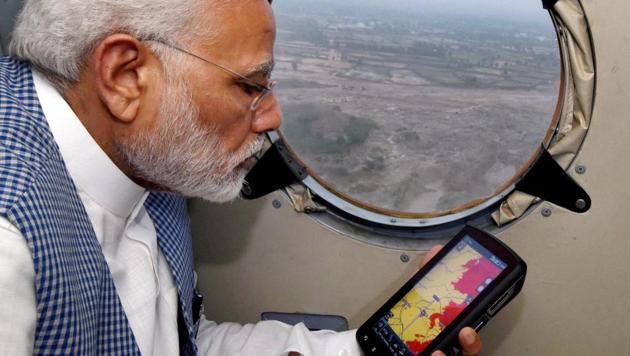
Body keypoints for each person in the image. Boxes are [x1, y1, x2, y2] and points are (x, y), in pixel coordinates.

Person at [0, 0, 483, 355]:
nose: (272, 118)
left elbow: (174, 341)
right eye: (251, 86)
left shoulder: (150, 157)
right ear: (126, 76)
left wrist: (359, 351)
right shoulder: (11, 237)